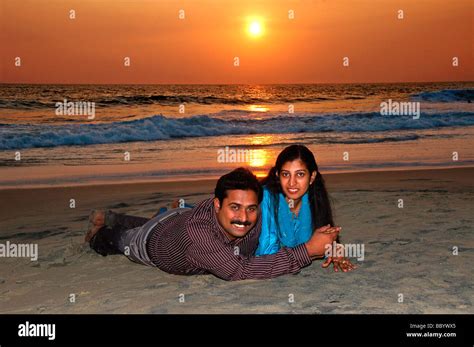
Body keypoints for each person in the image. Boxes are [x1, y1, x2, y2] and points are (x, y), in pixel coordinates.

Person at [85, 168, 340, 281]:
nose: (244, 218)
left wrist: (329, 242)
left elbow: (291, 202)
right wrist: (308, 251)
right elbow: (240, 271)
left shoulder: (254, 210)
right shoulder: (199, 235)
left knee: (166, 219)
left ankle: (115, 215)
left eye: (251, 208)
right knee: (119, 240)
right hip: (152, 243)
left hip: (180, 217)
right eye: (235, 207)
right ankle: (102, 229)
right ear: (217, 204)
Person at [256, 145, 356, 272]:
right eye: (286, 174)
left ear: (312, 177)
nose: (292, 183)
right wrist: (310, 250)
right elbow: (267, 254)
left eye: (300, 174)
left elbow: (318, 242)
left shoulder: (313, 198)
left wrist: (334, 249)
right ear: (277, 176)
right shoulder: (266, 198)